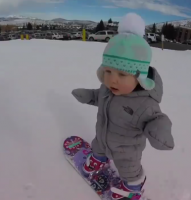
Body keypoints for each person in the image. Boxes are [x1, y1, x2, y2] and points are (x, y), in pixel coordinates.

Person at [72, 13, 174, 200]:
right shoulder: (108, 89)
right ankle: (98, 158)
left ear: (139, 76)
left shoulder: (144, 103)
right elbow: (99, 97)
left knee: (129, 169)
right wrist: (89, 96)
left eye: (122, 74)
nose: (112, 79)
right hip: (102, 138)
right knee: (98, 147)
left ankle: (133, 186)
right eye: (108, 71)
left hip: (126, 150)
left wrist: (159, 130)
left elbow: (156, 119)